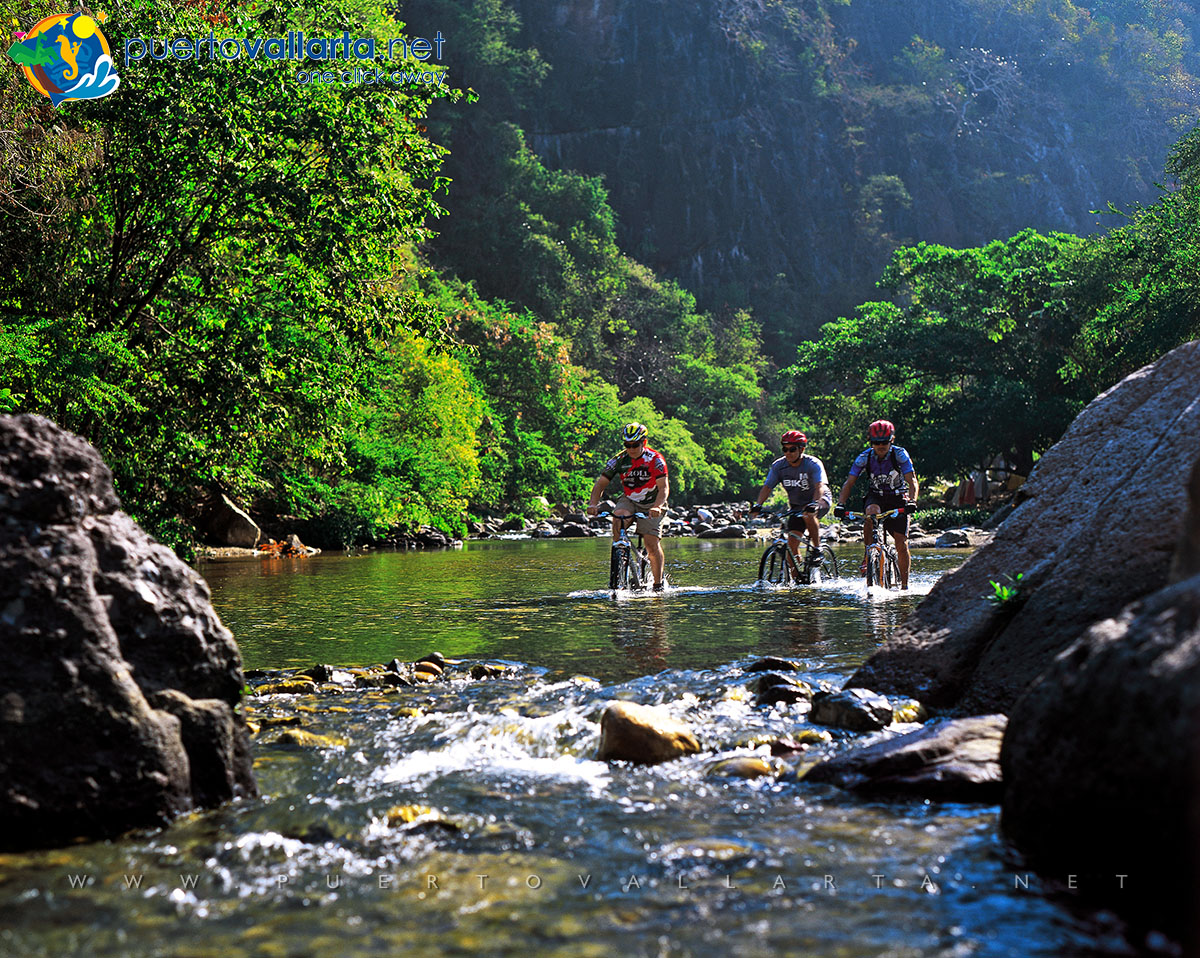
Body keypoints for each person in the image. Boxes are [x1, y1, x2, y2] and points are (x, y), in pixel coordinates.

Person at [834, 419, 919, 589]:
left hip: (898, 497)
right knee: (871, 513)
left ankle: (904, 586)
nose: (880, 446)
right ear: (870, 442)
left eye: (884, 442)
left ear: (892, 440)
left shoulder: (900, 455)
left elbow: (913, 481)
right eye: (876, 442)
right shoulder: (864, 458)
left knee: (901, 543)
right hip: (876, 496)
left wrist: (912, 501)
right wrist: (840, 504)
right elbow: (849, 483)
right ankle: (869, 552)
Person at [586, 422, 670, 591]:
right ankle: (620, 558)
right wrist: (593, 504)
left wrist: (658, 506)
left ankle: (657, 584)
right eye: (627, 445)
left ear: (643, 443)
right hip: (629, 499)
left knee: (651, 543)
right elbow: (600, 484)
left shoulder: (656, 460)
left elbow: (664, 488)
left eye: (635, 445)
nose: (631, 449)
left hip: (652, 502)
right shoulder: (617, 460)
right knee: (619, 517)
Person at [748, 430, 831, 566]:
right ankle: (798, 582)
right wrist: (758, 505)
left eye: (792, 449)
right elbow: (767, 487)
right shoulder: (779, 466)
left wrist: (815, 504)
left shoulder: (812, 463)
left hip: (820, 499)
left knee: (808, 514)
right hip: (797, 505)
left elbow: (819, 486)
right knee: (791, 546)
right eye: (785, 449)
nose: (788, 453)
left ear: (802, 449)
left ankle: (817, 549)